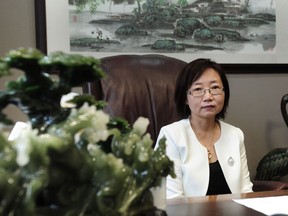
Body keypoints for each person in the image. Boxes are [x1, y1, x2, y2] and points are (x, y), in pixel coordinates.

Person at [155, 58, 253, 198]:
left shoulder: (235, 134)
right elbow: (171, 199)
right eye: (198, 89)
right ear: (185, 98)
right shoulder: (171, 135)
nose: (208, 96)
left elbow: (246, 191)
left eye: (214, 88)